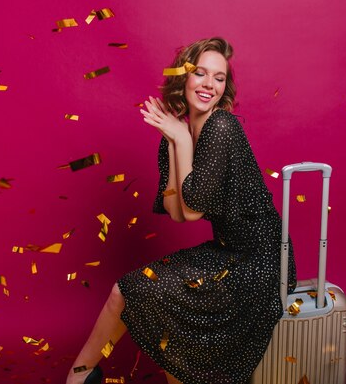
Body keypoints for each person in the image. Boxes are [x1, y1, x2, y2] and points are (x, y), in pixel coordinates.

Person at [65, 37, 296, 384]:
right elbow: (177, 210)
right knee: (126, 289)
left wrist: (182, 140)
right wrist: (176, 139)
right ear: (183, 77)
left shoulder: (222, 127)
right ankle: (80, 376)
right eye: (200, 73)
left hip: (260, 261)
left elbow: (192, 212)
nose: (209, 85)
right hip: (227, 252)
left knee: (153, 296)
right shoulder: (178, 129)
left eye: (219, 78)